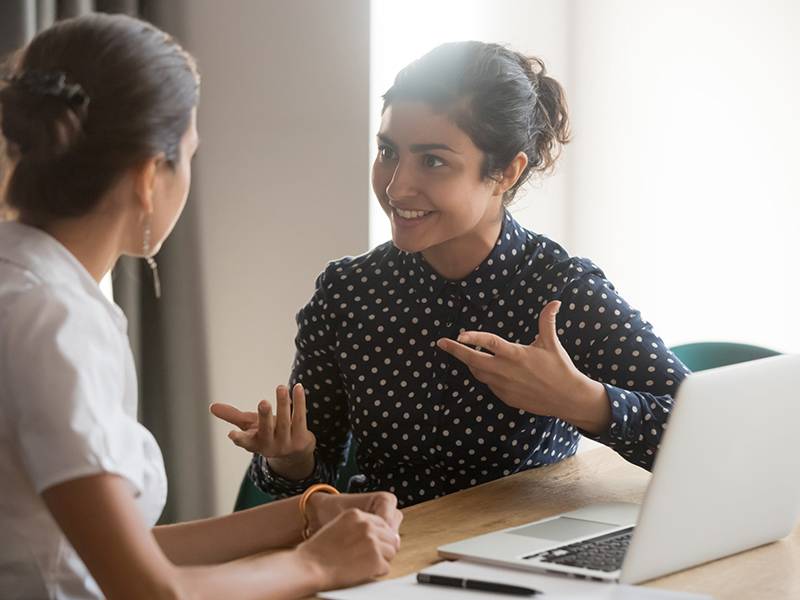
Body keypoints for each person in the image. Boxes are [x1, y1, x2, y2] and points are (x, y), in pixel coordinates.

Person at [0, 13, 402, 600]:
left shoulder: (28, 285)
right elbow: (146, 589)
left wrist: (309, 513)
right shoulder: (54, 323)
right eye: (188, 155)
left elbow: (97, 552)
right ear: (146, 177)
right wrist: (317, 566)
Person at [211, 41, 689, 508]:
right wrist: (291, 461)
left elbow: (701, 438)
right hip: (387, 553)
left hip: (523, 561)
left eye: (433, 161)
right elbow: (313, 480)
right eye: (388, 151)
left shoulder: (562, 292)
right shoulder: (348, 293)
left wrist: (582, 401)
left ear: (505, 172)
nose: (397, 186)